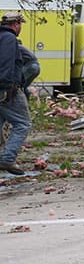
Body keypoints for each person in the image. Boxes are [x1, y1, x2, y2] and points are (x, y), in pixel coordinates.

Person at [0, 11, 31, 175]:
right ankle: (7, 159)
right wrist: (7, 86)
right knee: (22, 124)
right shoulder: (9, 38)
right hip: (6, 88)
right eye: (20, 24)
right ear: (16, 24)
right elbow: (6, 62)